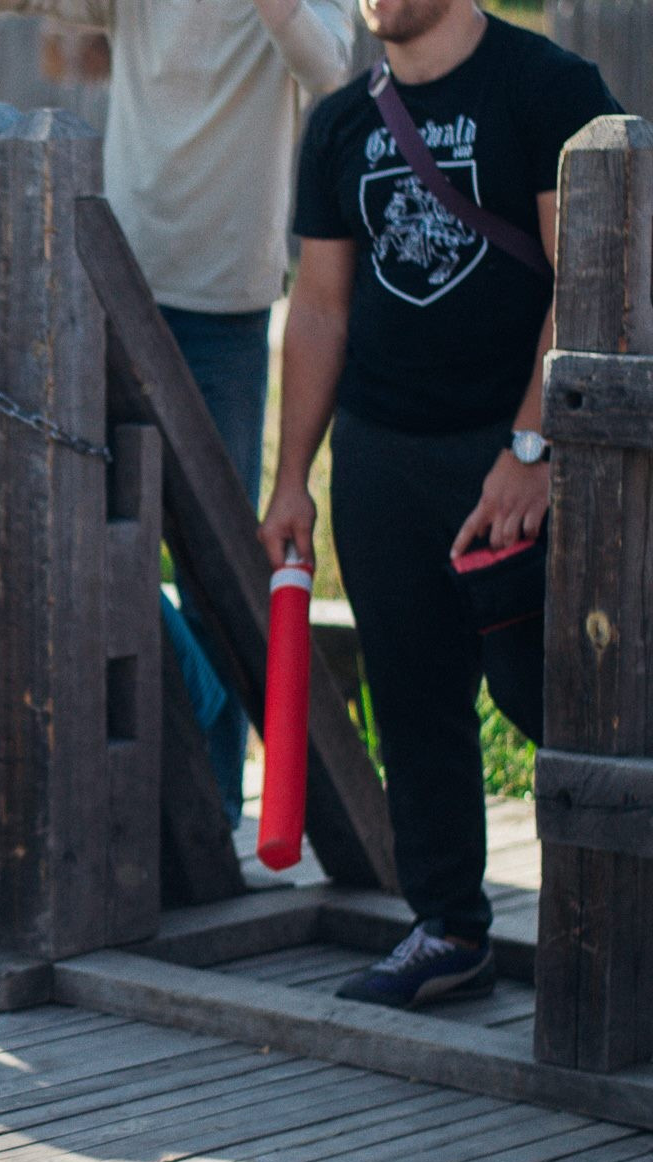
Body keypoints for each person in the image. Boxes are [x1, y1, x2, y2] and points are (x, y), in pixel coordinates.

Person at [260, 0, 617, 1009]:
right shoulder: (341, 121)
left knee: (562, 698)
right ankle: (449, 929)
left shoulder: (549, 90)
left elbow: (588, 281)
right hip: (382, 452)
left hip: (513, 451)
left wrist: (532, 445)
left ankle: (615, 941)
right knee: (413, 702)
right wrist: (292, 477)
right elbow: (320, 308)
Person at [0, 0, 356, 827]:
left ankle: (213, 806)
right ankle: (130, 781)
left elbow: (329, 67)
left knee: (222, 557)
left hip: (228, 306)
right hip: (119, 284)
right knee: (100, 543)